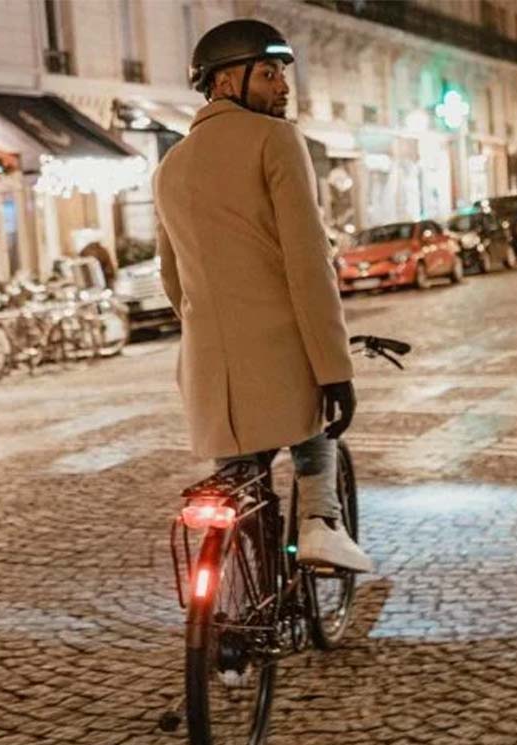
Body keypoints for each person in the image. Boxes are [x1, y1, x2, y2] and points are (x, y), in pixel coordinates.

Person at [152, 19, 371, 573]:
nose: (283, 87)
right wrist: (334, 367)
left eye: (281, 75)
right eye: (269, 74)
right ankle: (321, 525)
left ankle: (240, 602)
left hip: (208, 373)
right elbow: (307, 264)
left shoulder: (170, 166)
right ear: (225, 83)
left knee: (242, 489)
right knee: (314, 433)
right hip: (280, 356)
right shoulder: (276, 141)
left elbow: (171, 278)